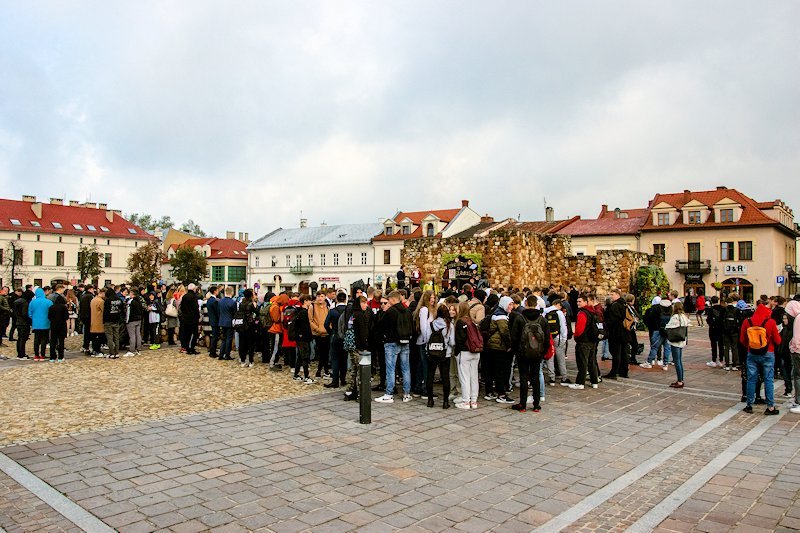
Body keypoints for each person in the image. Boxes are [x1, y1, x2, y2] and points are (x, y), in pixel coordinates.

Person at [511, 295, 550, 412]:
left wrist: (516, 351)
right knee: (535, 377)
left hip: (523, 353)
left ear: (526, 303)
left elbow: (514, 337)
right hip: (537, 353)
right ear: (536, 303)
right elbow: (547, 338)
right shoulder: (542, 320)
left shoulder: (520, 318)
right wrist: (542, 352)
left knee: (523, 377)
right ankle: (536, 404)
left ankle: (522, 404)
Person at [740, 302, 781, 415]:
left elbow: (742, 339)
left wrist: (751, 346)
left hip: (752, 353)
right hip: (768, 353)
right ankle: (770, 407)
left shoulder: (747, 321)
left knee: (751, 379)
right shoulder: (771, 322)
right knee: (768, 379)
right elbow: (778, 340)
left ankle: (749, 405)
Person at [374, 291, 414, 404]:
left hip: (391, 342)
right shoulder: (407, 311)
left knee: (390, 369)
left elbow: (381, 325)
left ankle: (389, 394)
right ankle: (406, 394)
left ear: (392, 299)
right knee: (406, 368)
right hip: (405, 342)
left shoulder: (390, 311)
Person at [485, 296, 514, 404]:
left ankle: (489, 392)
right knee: (500, 370)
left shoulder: (496, 313)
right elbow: (504, 332)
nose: (511, 306)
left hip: (492, 344)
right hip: (498, 345)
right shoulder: (501, 316)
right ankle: (501, 394)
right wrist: (509, 345)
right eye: (510, 304)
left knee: (491, 369)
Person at [425, 304, 454, 409]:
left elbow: (427, 338)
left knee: (430, 375)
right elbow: (453, 342)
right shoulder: (449, 325)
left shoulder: (431, 324)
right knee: (445, 377)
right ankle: (445, 402)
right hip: (445, 353)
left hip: (432, 352)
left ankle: (430, 400)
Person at [454, 301, 480, 409]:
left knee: (464, 377)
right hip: (475, 351)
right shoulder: (472, 322)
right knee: (474, 376)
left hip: (465, 352)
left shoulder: (460, 322)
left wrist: (456, 352)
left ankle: (466, 401)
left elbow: (460, 340)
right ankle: (473, 401)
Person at [570, 294, 600, 390]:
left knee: (582, 362)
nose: (578, 303)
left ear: (585, 302)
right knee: (592, 362)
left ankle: (580, 382)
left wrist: (576, 337)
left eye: (580, 301)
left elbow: (579, 329)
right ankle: (594, 381)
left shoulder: (582, 313)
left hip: (584, 341)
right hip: (592, 340)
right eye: (577, 301)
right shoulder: (593, 311)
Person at [413, 290, 436, 398]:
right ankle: (426, 388)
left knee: (422, 365)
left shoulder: (429, 310)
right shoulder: (424, 310)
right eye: (431, 297)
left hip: (425, 340)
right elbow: (423, 327)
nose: (433, 299)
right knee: (426, 365)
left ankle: (418, 387)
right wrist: (428, 341)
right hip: (424, 341)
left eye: (434, 297)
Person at [324, 293, 348, 388]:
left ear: (336, 300)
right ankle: (343, 379)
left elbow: (326, 324)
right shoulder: (348, 310)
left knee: (335, 359)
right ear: (345, 300)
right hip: (346, 337)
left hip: (335, 336)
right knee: (344, 359)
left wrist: (331, 332)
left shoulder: (332, 311)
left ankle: (335, 381)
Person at [664, 301, 690, 388]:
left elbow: (668, 327)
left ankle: (679, 381)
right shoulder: (684, 316)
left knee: (677, 361)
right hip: (682, 340)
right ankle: (680, 379)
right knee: (679, 361)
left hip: (675, 340)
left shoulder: (675, 317)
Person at [604, 289, 629, 380]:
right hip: (625, 331)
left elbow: (612, 320)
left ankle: (614, 371)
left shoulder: (615, 305)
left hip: (616, 332)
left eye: (612, 294)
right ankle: (624, 371)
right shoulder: (625, 304)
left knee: (616, 353)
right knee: (624, 352)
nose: (611, 296)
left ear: (618, 295)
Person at [544, 299, 569, 386]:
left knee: (550, 357)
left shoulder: (545, 312)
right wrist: (563, 339)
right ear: (558, 304)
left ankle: (552, 378)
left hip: (548, 337)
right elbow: (563, 326)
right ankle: (564, 377)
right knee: (560, 358)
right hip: (558, 337)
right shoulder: (559, 313)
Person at [291, 294, 314, 382]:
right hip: (303, 338)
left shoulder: (299, 311)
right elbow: (305, 327)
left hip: (299, 337)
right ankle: (306, 377)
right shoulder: (304, 312)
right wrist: (309, 336)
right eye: (309, 300)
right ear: (305, 301)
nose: (310, 302)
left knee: (300, 357)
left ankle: (296, 375)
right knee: (305, 357)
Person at [28, 287, 53, 361]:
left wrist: (34, 318)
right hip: (46, 322)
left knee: (36, 339)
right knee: (44, 339)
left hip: (36, 323)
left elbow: (30, 314)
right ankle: (42, 355)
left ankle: (36, 355)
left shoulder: (32, 302)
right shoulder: (48, 302)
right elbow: (51, 312)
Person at [309, 291, 330, 378]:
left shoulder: (327, 306)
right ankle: (321, 370)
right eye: (318, 296)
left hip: (327, 333)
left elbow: (330, 318)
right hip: (318, 333)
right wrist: (317, 329)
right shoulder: (312, 306)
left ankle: (324, 370)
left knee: (326, 352)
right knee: (321, 353)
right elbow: (310, 320)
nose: (320, 298)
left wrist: (329, 328)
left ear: (325, 297)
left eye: (322, 296)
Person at [785, 300, 800, 414]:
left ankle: (799, 401)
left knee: (798, 376)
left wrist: (793, 347)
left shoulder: (798, 318)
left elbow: (797, 338)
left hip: (798, 352)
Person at [48, 285, 68, 362]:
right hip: (62, 325)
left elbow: (49, 316)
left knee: (53, 341)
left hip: (53, 325)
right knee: (61, 341)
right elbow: (66, 317)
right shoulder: (63, 307)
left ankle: (52, 357)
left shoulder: (51, 307)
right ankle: (60, 356)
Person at [238, 289, 257, 367]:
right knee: (250, 344)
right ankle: (251, 361)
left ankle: (243, 360)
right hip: (250, 326)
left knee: (242, 343)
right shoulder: (251, 304)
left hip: (242, 326)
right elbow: (256, 313)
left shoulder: (241, 304)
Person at [179, 283, 200, 355]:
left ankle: (187, 347)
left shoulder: (184, 296)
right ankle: (191, 348)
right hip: (193, 318)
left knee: (187, 334)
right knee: (194, 334)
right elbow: (195, 308)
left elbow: (181, 307)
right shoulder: (194, 297)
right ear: (194, 289)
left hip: (185, 318)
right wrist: (198, 316)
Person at [103, 287, 124, 358]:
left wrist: (104, 320)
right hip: (117, 320)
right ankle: (117, 352)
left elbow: (105, 312)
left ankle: (111, 353)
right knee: (116, 337)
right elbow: (122, 310)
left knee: (109, 337)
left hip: (108, 321)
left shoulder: (107, 300)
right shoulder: (119, 300)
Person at [124, 286, 144, 357]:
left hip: (132, 320)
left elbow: (128, 312)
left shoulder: (131, 302)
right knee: (138, 334)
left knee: (132, 335)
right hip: (139, 319)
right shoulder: (139, 300)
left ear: (132, 293)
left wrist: (127, 320)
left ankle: (132, 350)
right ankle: (138, 349)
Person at [218, 286, 237, 361]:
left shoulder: (220, 301)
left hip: (222, 321)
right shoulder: (233, 302)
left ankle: (221, 354)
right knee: (229, 339)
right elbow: (234, 313)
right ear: (232, 292)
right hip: (229, 322)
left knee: (224, 338)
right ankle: (227, 354)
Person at [705, 296, 724, 367]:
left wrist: (711, 324)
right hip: (721, 329)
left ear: (711, 302)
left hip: (713, 329)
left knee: (713, 345)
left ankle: (713, 360)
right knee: (721, 345)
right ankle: (721, 360)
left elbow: (708, 320)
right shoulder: (723, 309)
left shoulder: (710, 309)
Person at [13, 288, 33, 359]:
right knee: (23, 339)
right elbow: (25, 314)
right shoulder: (25, 303)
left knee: (20, 338)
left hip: (18, 321)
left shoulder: (17, 301)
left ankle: (19, 353)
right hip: (24, 323)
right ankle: (22, 354)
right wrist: (30, 321)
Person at [89, 288, 106, 356]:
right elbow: (103, 311)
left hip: (93, 320)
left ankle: (94, 350)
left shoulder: (93, 300)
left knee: (94, 337)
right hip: (99, 321)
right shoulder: (101, 301)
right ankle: (97, 350)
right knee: (99, 337)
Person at [206, 286, 220, 357]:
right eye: (217, 290)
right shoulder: (214, 301)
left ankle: (212, 350)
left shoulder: (209, 300)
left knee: (214, 336)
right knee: (215, 337)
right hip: (215, 321)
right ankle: (213, 352)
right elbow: (217, 312)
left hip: (212, 319)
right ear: (215, 291)